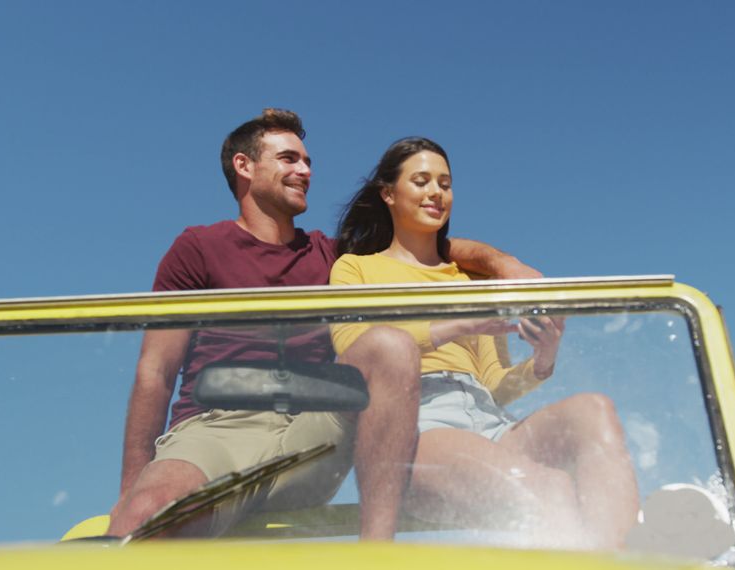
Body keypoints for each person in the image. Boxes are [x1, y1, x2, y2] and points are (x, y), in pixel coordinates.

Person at [107, 109, 539, 541]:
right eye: (289, 159)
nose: (305, 170)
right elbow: (155, 371)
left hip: (316, 435)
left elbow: (428, 246)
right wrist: (130, 488)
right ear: (244, 166)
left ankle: (376, 555)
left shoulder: (332, 257)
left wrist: (503, 263)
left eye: (308, 161)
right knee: (147, 515)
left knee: (389, 346)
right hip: (218, 427)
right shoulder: (197, 248)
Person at [330, 137, 639, 550]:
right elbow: (351, 351)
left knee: (594, 410)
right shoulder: (355, 268)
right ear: (388, 193)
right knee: (547, 488)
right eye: (421, 181)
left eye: (445, 183)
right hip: (420, 426)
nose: (436, 192)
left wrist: (542, 360)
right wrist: (454, 326)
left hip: (488, 419)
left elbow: (492, 383)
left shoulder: (470, 280)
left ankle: (618, 552)